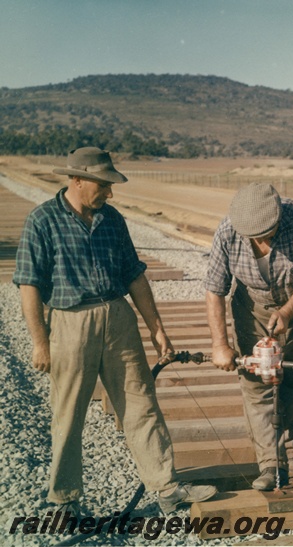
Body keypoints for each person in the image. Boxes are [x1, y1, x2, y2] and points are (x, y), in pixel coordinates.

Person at [13, 147, 217, 517]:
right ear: (77, 180)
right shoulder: (42, 220)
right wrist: (40, 342)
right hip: (70, 320)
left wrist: (158, 330)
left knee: (141, 403)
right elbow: (29, 285)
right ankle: (65, 500)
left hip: (119, 318)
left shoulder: (113, 219)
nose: (110, 192)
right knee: (68, 412)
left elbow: (134, 275)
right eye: (103, 185)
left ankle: (166, 487)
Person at [205, 182, 293, 491]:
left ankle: (291, 454)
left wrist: (287, 312)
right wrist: (220, 344)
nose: (261, 240)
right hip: (253, 309)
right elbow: (214, 290)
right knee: (258, 382)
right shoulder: (227, 232)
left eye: (267, 233)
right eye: (255, 236)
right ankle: (270, 464)